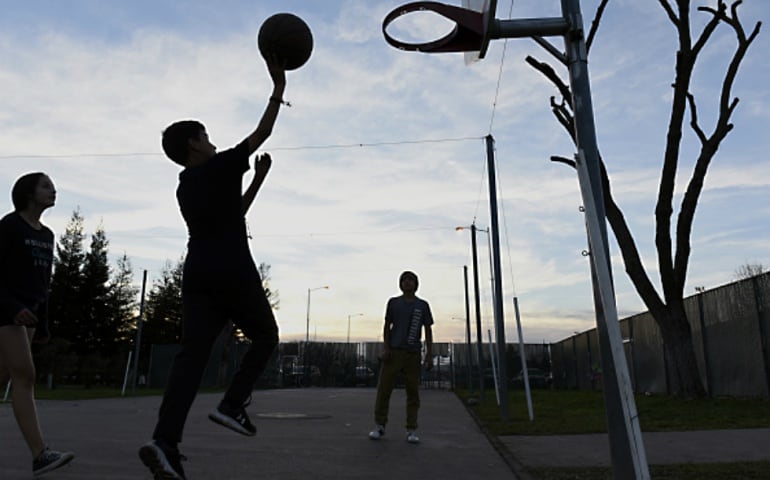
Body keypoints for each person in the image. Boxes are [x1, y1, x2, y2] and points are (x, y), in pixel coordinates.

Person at [138, 56, 286, 480]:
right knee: (266, 336)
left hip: (199, 270)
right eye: (205, 136)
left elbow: (233, 213)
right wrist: (278, 88)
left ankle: (164, 441)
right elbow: (263, 132)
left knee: (191, 358)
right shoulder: (219, 166)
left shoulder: (185, 186)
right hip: (231, 266)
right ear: (193, 145)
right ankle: (232, 404)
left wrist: (257, 181)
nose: (212, 140)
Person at [0, 172, 75, 476]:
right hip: (5, 311)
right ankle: (40, 454)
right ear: (28, 192)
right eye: (46, 186)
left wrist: (42, 323)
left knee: (4, 377)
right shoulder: (9, 226)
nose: (53, 190)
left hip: (27, 317)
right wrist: (12, 308)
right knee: (25, 376)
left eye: (54, 186)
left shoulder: (47, 235)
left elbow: (44, 284)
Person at [369, 271, 434, 444]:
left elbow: (428, 329)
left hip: (413, 353)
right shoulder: (393, 303)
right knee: (384, 389)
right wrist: (386, 347)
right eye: (404, 280)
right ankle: (379, 425)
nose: (407, 283)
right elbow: (387, 325)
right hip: (394, 352)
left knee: (413, 392)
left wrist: (429, 354)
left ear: (416, 284)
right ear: (400, 283)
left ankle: (411, 429)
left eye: (411, 280)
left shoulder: (423, 305)